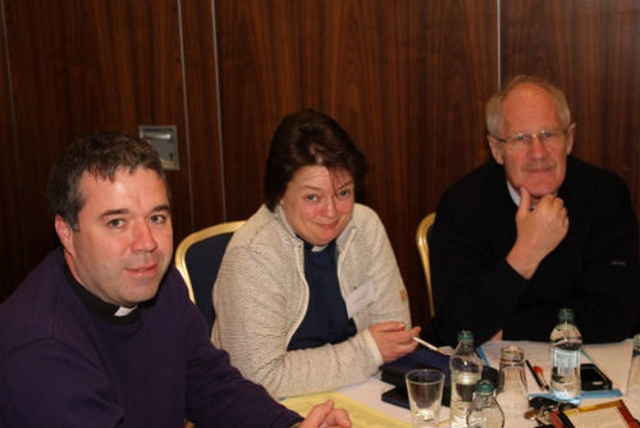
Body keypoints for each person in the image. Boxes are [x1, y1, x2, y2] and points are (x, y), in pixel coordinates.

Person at [0, 131, 351, 428]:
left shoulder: (157, 283)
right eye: (116, 222)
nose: (146, 244)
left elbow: (208, 383)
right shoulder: (41, 349)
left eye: (156, 217)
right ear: (66, 232)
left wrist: (287, 426)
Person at [212, 109, 420, 397]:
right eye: (313, 197)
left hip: (355, 393)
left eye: (343, 193)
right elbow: (258, 377)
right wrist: (367, 351)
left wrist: (374, 351)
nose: (332, 212)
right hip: (271, 408)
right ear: (280, 194)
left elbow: (394, 335)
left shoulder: (364, 225)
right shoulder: (253, 256)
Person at [424, 75, 639, 347]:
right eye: (521, 139)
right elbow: (454, 328)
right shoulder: (463, 204)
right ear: (497, 150)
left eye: (549, 134)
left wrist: (511, 328)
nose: (538, 152)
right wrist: (526, 253)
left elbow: (618, 315)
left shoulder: (605, 194)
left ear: (569, 139)